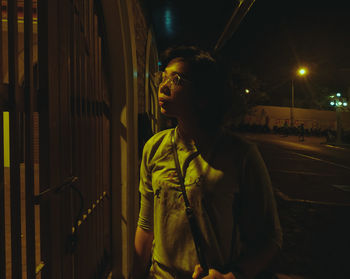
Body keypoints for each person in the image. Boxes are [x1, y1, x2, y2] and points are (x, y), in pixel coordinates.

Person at [132, 46, 282, 279]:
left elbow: (269, 238)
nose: (163, 87)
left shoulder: (240, 154)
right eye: (163, 77)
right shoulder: (154, 148)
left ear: (203, 96)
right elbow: (146, 225)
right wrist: (136, 274)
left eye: (177, 79)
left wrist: (233, 276)